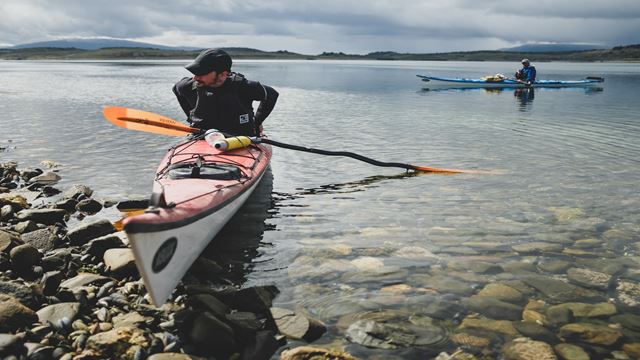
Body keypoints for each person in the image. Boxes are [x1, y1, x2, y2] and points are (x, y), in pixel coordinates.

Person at [173, 48, 278, 136]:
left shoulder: (243, 86)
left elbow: (272, 95)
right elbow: (176, 89)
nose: (195, 77)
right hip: (203, 135)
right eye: (195, 73)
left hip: (242, 137)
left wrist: (257, 122)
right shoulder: (188, 86)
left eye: (201, 73)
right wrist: (191, 117)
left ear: (223, 74)